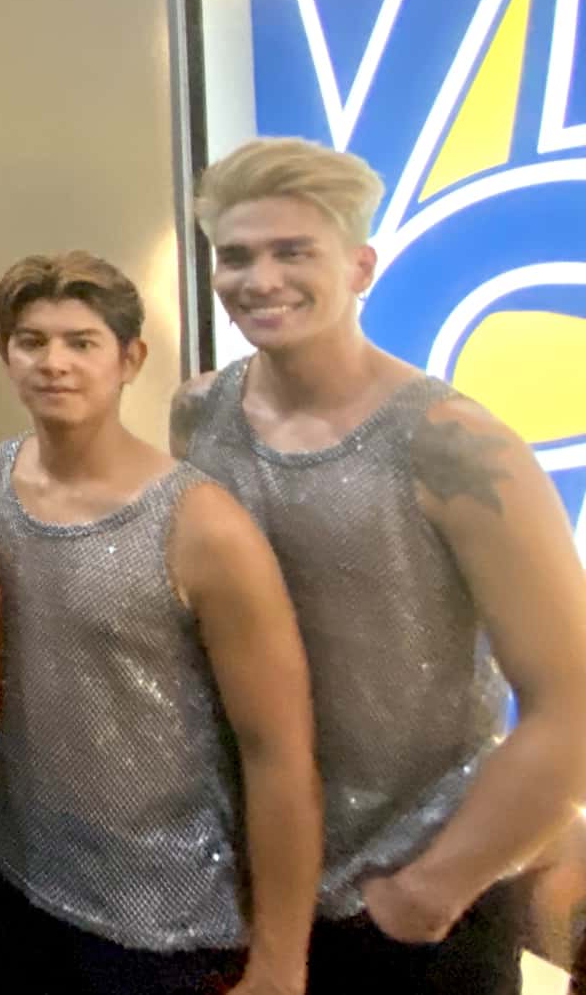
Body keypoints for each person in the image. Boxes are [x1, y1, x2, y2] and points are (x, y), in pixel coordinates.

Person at [175, 138, 586, 993]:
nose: (261, 279)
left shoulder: (454, 445)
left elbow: (570, 704)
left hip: (413, 903)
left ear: (359, 267)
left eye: (294, 252)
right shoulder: (200, 414)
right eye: (237, 256)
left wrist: (428, 894)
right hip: (245, 887)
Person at [0, 250, 321, 994]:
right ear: (5, 356)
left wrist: (281, 963)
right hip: (16, 879)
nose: (54, 363)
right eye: (32, 342)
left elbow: (278, 752)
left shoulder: (203, 527)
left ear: (130, 359)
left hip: (167, 918)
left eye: (82, 342)